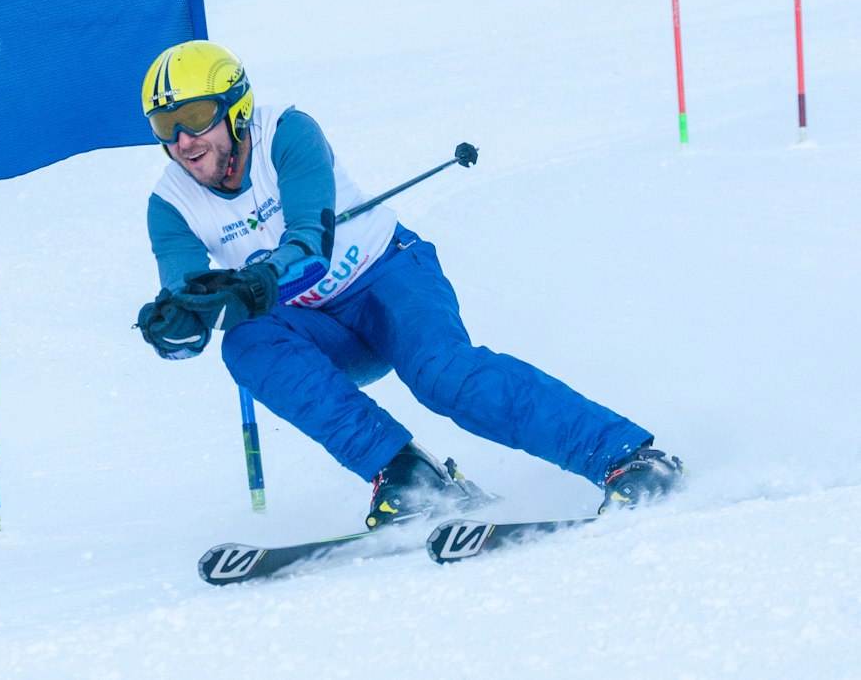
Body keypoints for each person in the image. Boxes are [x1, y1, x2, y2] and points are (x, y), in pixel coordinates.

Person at [136, 40, 683, 527]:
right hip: (320, 329)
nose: (183, 140)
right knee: (246, 344)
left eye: (196, 116)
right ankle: (409, 476)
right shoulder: (170, 204)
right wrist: (178, 326)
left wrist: (250, 286)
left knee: (442, 377)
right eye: (166, 126)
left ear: (236, 108)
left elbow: (309, 248)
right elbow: (192, 295)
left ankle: (627, 457)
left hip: (388, 279)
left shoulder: (287, 134)